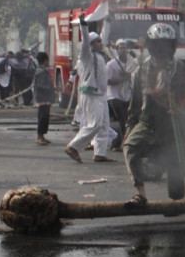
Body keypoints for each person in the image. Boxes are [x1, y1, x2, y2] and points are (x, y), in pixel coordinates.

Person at [122, 22, 185, 208]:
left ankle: (169, 173)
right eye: (157, 44)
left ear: (171, 46)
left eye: (165, 44)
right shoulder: (141, 70)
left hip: (173, 124)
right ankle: (140, 194)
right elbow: (135, 103)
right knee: (129, 147)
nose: (161, 49)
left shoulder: (181, 69)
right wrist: (130, 127)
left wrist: (180, 109)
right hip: (149, 122)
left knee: (176, 191)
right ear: (151, 46)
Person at [64, 12, 115, 163]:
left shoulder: (100, 55)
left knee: (104, 126)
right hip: (91, 95)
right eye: (98, 41)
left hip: (101, 95)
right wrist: (83, 24)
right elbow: (85, 40)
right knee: (95, 124)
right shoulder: (86, 55)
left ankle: (100, 153)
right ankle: (73, 146)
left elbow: (104, 36)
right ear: (92, 44)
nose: (101, 43)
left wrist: (107, 21)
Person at [106, 38, 137, 150]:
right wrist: (123, 79)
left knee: (127, 120)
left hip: (127, 95)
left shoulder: (132, 62)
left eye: (125, 48)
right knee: (123, 119)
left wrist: (129, 78)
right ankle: (124, 143)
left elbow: (134, 76)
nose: (123, 50)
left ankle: (117, 143)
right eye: (121, 48)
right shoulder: (111, 64)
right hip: (114, 96)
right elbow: (107, 81)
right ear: (117, 50)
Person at [32, 52, 56, 145]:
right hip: (43, 98)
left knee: (45, 117)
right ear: (45, 60)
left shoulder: (40, 70)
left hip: (43, 98)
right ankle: (40, 137)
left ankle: (42, 136)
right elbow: (41, 85)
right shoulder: (41, 72)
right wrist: (52, 89)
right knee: (43, 118)